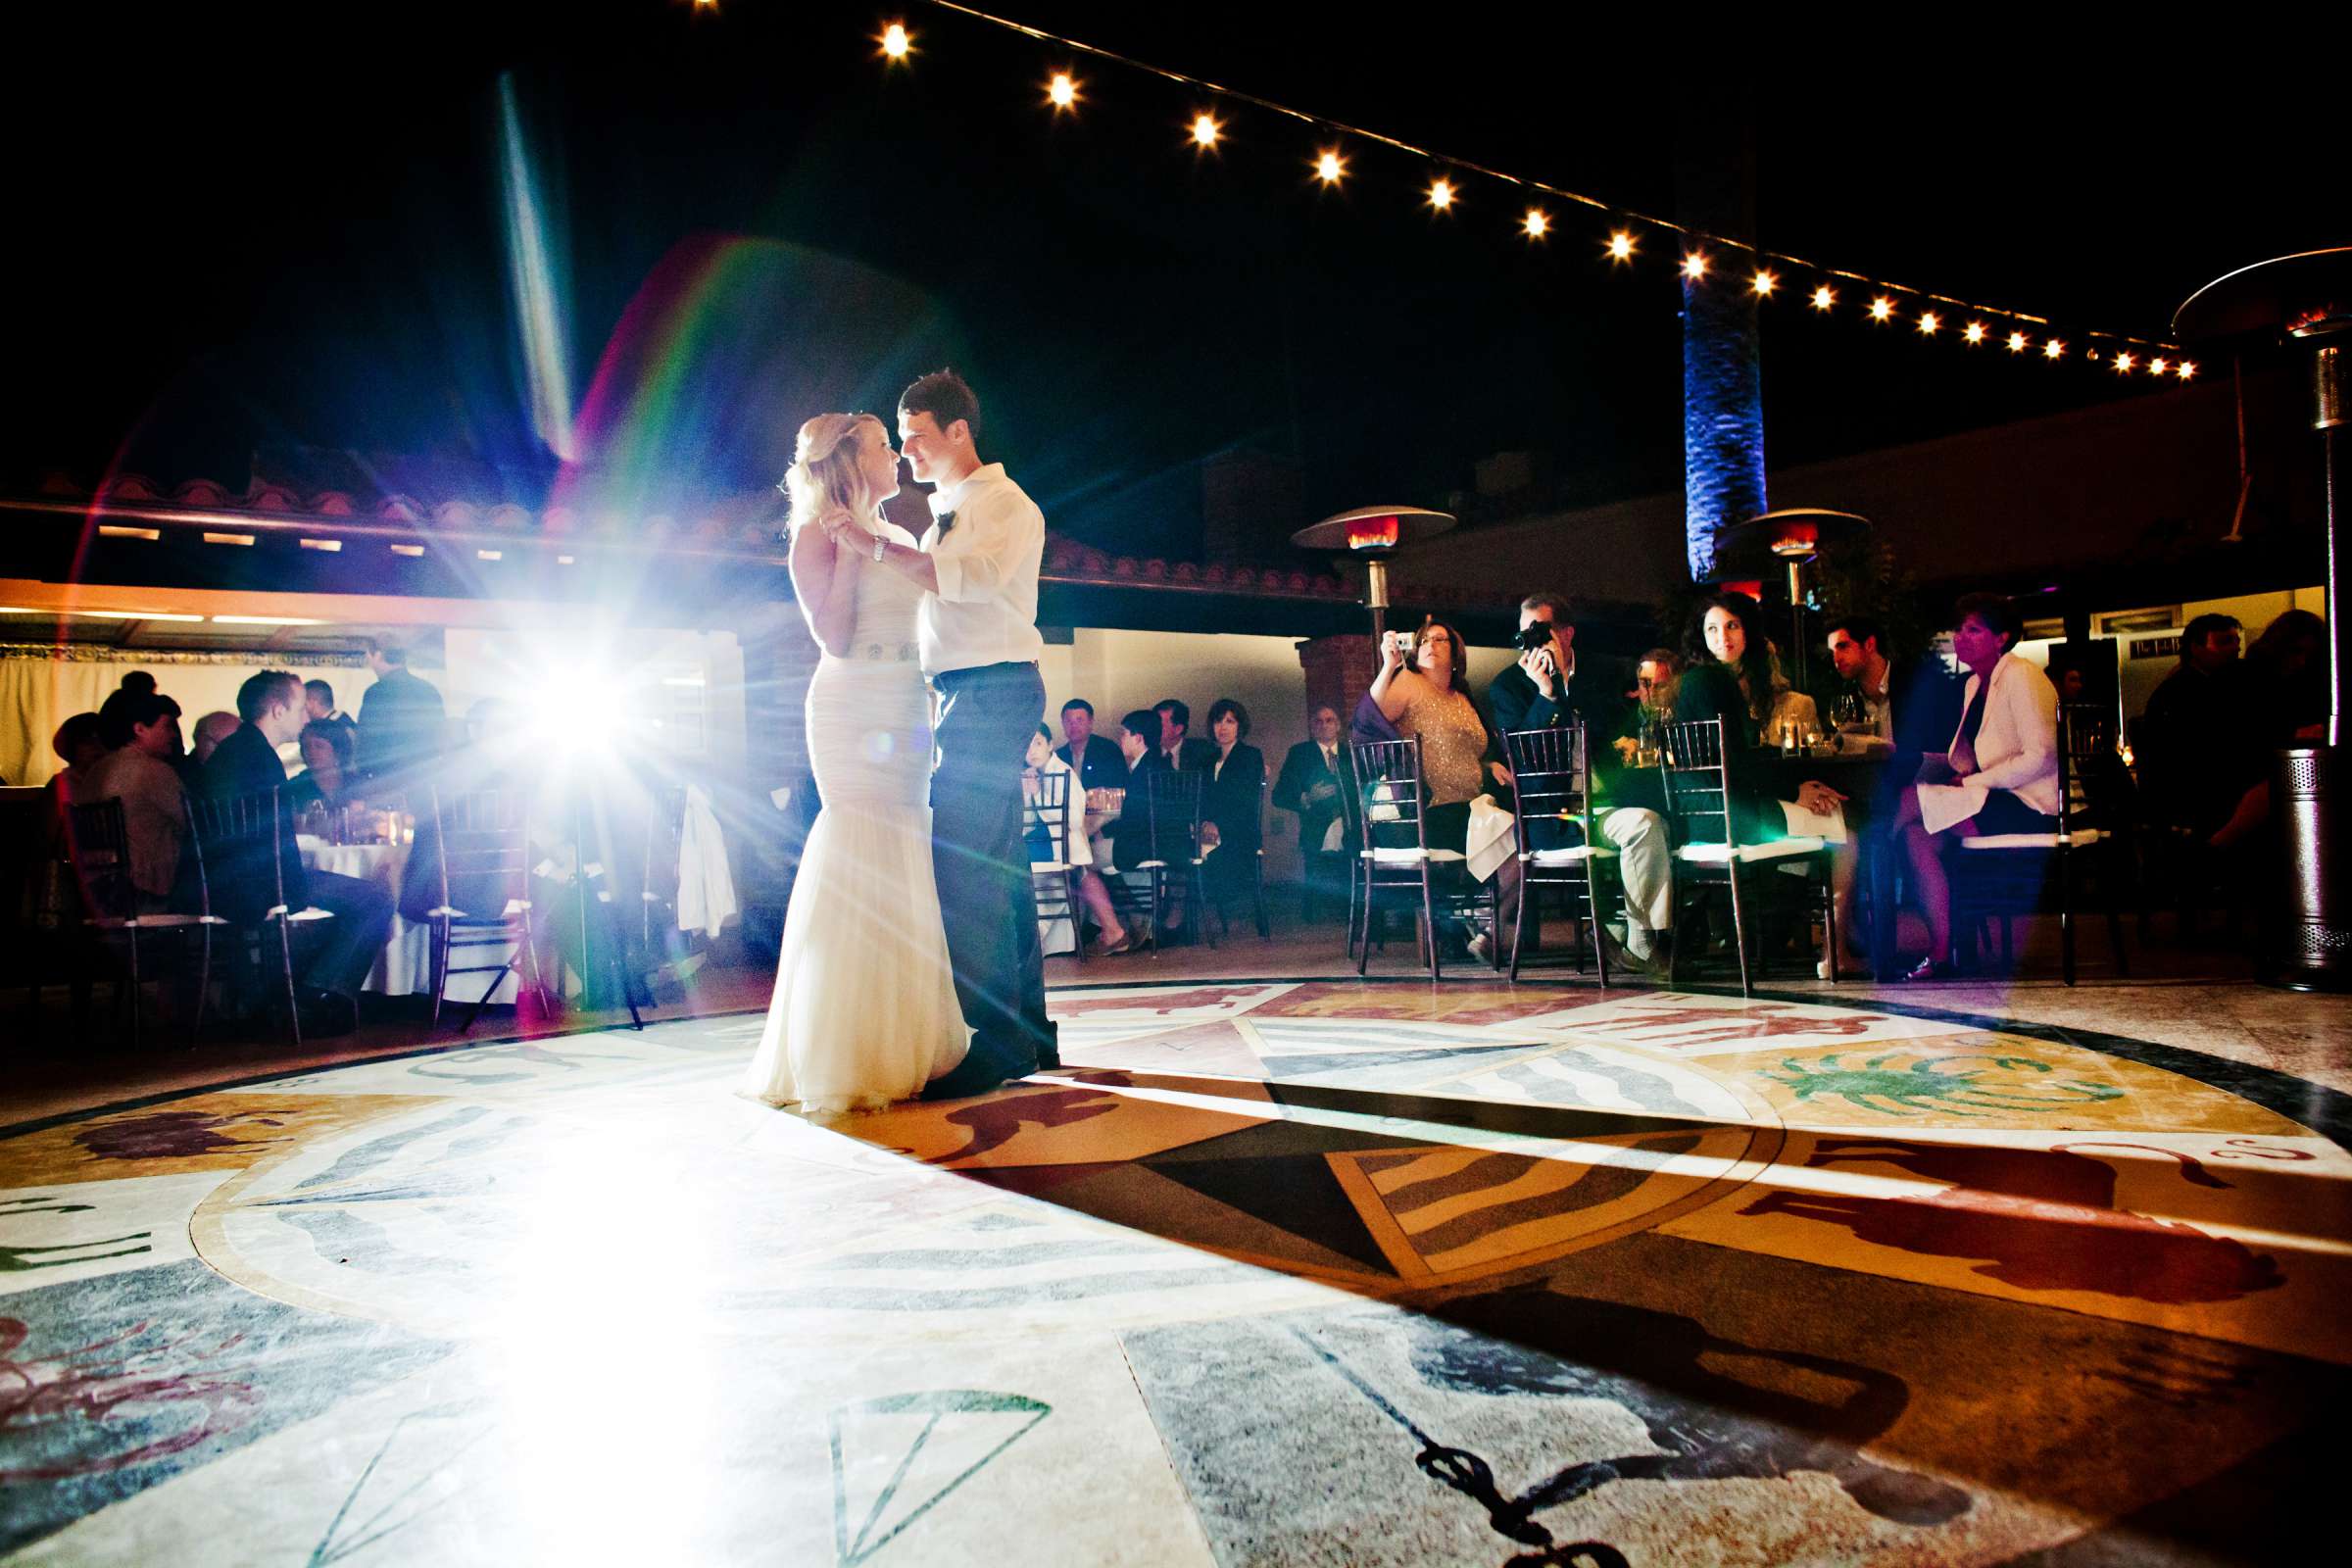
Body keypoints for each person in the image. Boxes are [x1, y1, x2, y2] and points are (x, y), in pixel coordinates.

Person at [831, 368, 1058, 1095]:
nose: (909, 453)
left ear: (959, 431)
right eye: (901, 441)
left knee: (962, 865)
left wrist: (871, 547)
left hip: (993, 687)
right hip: (969, 692)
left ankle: (996, 1043)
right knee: (1000, 868)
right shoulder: (946, 507)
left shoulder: (1004, 503)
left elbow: (969, 579)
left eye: (918, 438)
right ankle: (1032, 1033)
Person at [737, 412, 971, 1111]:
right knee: (858, 849)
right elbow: (835, 636)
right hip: (849, 704)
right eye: (880, 445)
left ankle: (909, 1043)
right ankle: (844, 1051)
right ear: (847, 461)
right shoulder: (814, 535)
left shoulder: (900, 533)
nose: (896, 455)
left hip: (906, 703)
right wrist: (846, 552)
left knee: (905, 854)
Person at [202, 669, 396, 1036]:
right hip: (256, 886)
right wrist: (295, 891)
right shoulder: (259, 760)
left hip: (226, 880)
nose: (306, 717)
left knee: (345, 897)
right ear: (277, 710)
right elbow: (273, 841)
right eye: (299, 708)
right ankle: (318, 994)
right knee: (376, 898)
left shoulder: (233, 752)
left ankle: (311, 992)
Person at [1487, 595, 1673, 970]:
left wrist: (1566, 686)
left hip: (1608, 800)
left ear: (1567, 633)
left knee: (1659, 823)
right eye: (1527, 633)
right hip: (1558, 814)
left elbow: (1614, 728)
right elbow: (1524, 754)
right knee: (1645, 825)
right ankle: (1634, 937)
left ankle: (1637, 935)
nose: (1535, 641)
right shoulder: (1507, 687)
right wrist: (1545, 693)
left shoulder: (1603, 673)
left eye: (1542, 630)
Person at [1675, 592, 1855, 970]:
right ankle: (1834, 953)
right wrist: (1796, 791)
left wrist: (1798, 791)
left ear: (1747, 631)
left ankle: (1774, 934)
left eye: (1731, 626)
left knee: (1811, 825)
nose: (1722, 637)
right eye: (1712, 629)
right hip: (1732, 814)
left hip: (1708, 812)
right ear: (1700, 637)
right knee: (1844, 832)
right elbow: (1734, 760)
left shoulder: (1699, 680)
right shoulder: (1711, 682)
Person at [1890, 594, 2060, 980]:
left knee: (1901, 806)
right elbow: (1978, 757)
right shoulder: (1973, 684)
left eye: (1973, 629)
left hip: (2030, 806)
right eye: (1958, 630)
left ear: (2002, 637)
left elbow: (2042, 756)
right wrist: (1950, 772)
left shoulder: (2021, 674)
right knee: (1917, 836)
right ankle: (1941, 951)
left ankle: (1868, 914)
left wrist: (1972, 780)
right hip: (1993, 799)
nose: (1961, 638)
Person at [1369, 617, 1512, 957]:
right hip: (1432, 811)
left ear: (1455, 650)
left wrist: (1488, 764)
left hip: (1471, 804)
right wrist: (1389, 667)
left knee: (1523, 841)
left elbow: (1472, 748)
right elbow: (1369, 719)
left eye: (1439, 640)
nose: (1429, 646)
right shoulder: (1408, 682)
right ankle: (1479, 920)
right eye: (1423, 641)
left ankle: (1487, 926)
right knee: (1515, 837)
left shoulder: (1462, 695)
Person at [1023, 724, 1134, 956]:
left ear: (1051, 745)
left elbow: (1073, 820)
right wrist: (1028, 792)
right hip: (1044, 843)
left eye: (1038, 743)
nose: (1031, 750)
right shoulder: (1034, 774)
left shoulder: (1064, 773)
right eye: (1027, 744)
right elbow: (1030, 820)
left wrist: (1037, 793)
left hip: (1061, 846)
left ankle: (1029, 943)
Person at [80, 691, 187, 913]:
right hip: (145, 891)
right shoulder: (155, 771)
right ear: (139, 729)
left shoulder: (96, 770)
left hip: (98, 889)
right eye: (166, 726)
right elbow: (191, 824)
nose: (174, 735)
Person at [1274, 704, 1352, 915]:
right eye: (1318, 721)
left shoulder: (1351, 753)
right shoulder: (1300, 754)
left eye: (1329, 720)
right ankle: (1314, 908)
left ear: (1338, 726)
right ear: (1311, 727)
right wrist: (1307, 798)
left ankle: (1352, 908)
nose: (1324, 725)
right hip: (1316, 825)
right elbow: (1280, 795)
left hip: (1351, 824)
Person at [1197, 698, 1266, 924]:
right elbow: (1202, 798)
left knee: (1198, 852)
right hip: (1209, 828)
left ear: (1239, 725)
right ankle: (1184, 924)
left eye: (1230, 721)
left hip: (1238, 830)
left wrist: (1218, 823)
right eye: (1218, 722)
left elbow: (1244, 800)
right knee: (1182, 848)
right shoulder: (1206, 760)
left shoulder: (1250, 756)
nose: (1223, 728)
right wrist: (1205, 821)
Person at [355, 637, 447, 789]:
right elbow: (440, 735)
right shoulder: (429, 689)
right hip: (426, 777)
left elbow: (366, 741)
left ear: (377, 655)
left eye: (368, 656)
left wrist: (364, 775)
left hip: (387, 779)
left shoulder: (376, 693)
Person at [283, 719, 365, 829]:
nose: (312, 752)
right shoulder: (295, 787)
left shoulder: (357, 783)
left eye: (319, 746)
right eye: (307, 746)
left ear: (338, 751)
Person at [1054, 699, 1125, 794]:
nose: (1074, 726)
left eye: (1079, 720)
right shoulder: (1058, 757)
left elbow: (1120, 787)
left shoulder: (1108, 750)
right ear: (1062, 723)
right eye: (1069, 721)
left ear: (1090, 723)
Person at [1153, 699, 1215, 771]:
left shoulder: (1203, 751)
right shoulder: (1149, 753)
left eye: (1159, 725)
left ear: (1178, 729)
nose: (1152, 729)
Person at [305, 679, 362, 751]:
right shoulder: (342, 721)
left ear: (313, 703)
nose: (301, 709)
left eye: (303, 703)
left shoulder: (329, 730)